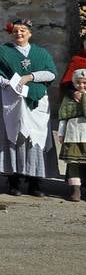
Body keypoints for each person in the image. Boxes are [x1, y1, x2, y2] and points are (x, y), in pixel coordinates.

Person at [0, 19, 56, 196]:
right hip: (10, 99)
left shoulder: (40, 53)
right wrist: (7, 83)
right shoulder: (3, 51)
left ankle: (35, 182)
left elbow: (51, 72)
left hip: (35, 102)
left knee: (34, 139)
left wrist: (30, 77)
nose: (19, 34)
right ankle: (13, 181)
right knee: (13, 138)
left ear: (30, 33)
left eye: (22, 30)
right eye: (15, 31)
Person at [56, 69, 86, 202]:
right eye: (78, 83)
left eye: (84, 83)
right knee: (73, 163)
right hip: (73, 134)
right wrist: (61, 134)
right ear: (74, 84)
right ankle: (76, 189)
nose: (81, 86)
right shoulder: (69, 98)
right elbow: (63, 117)